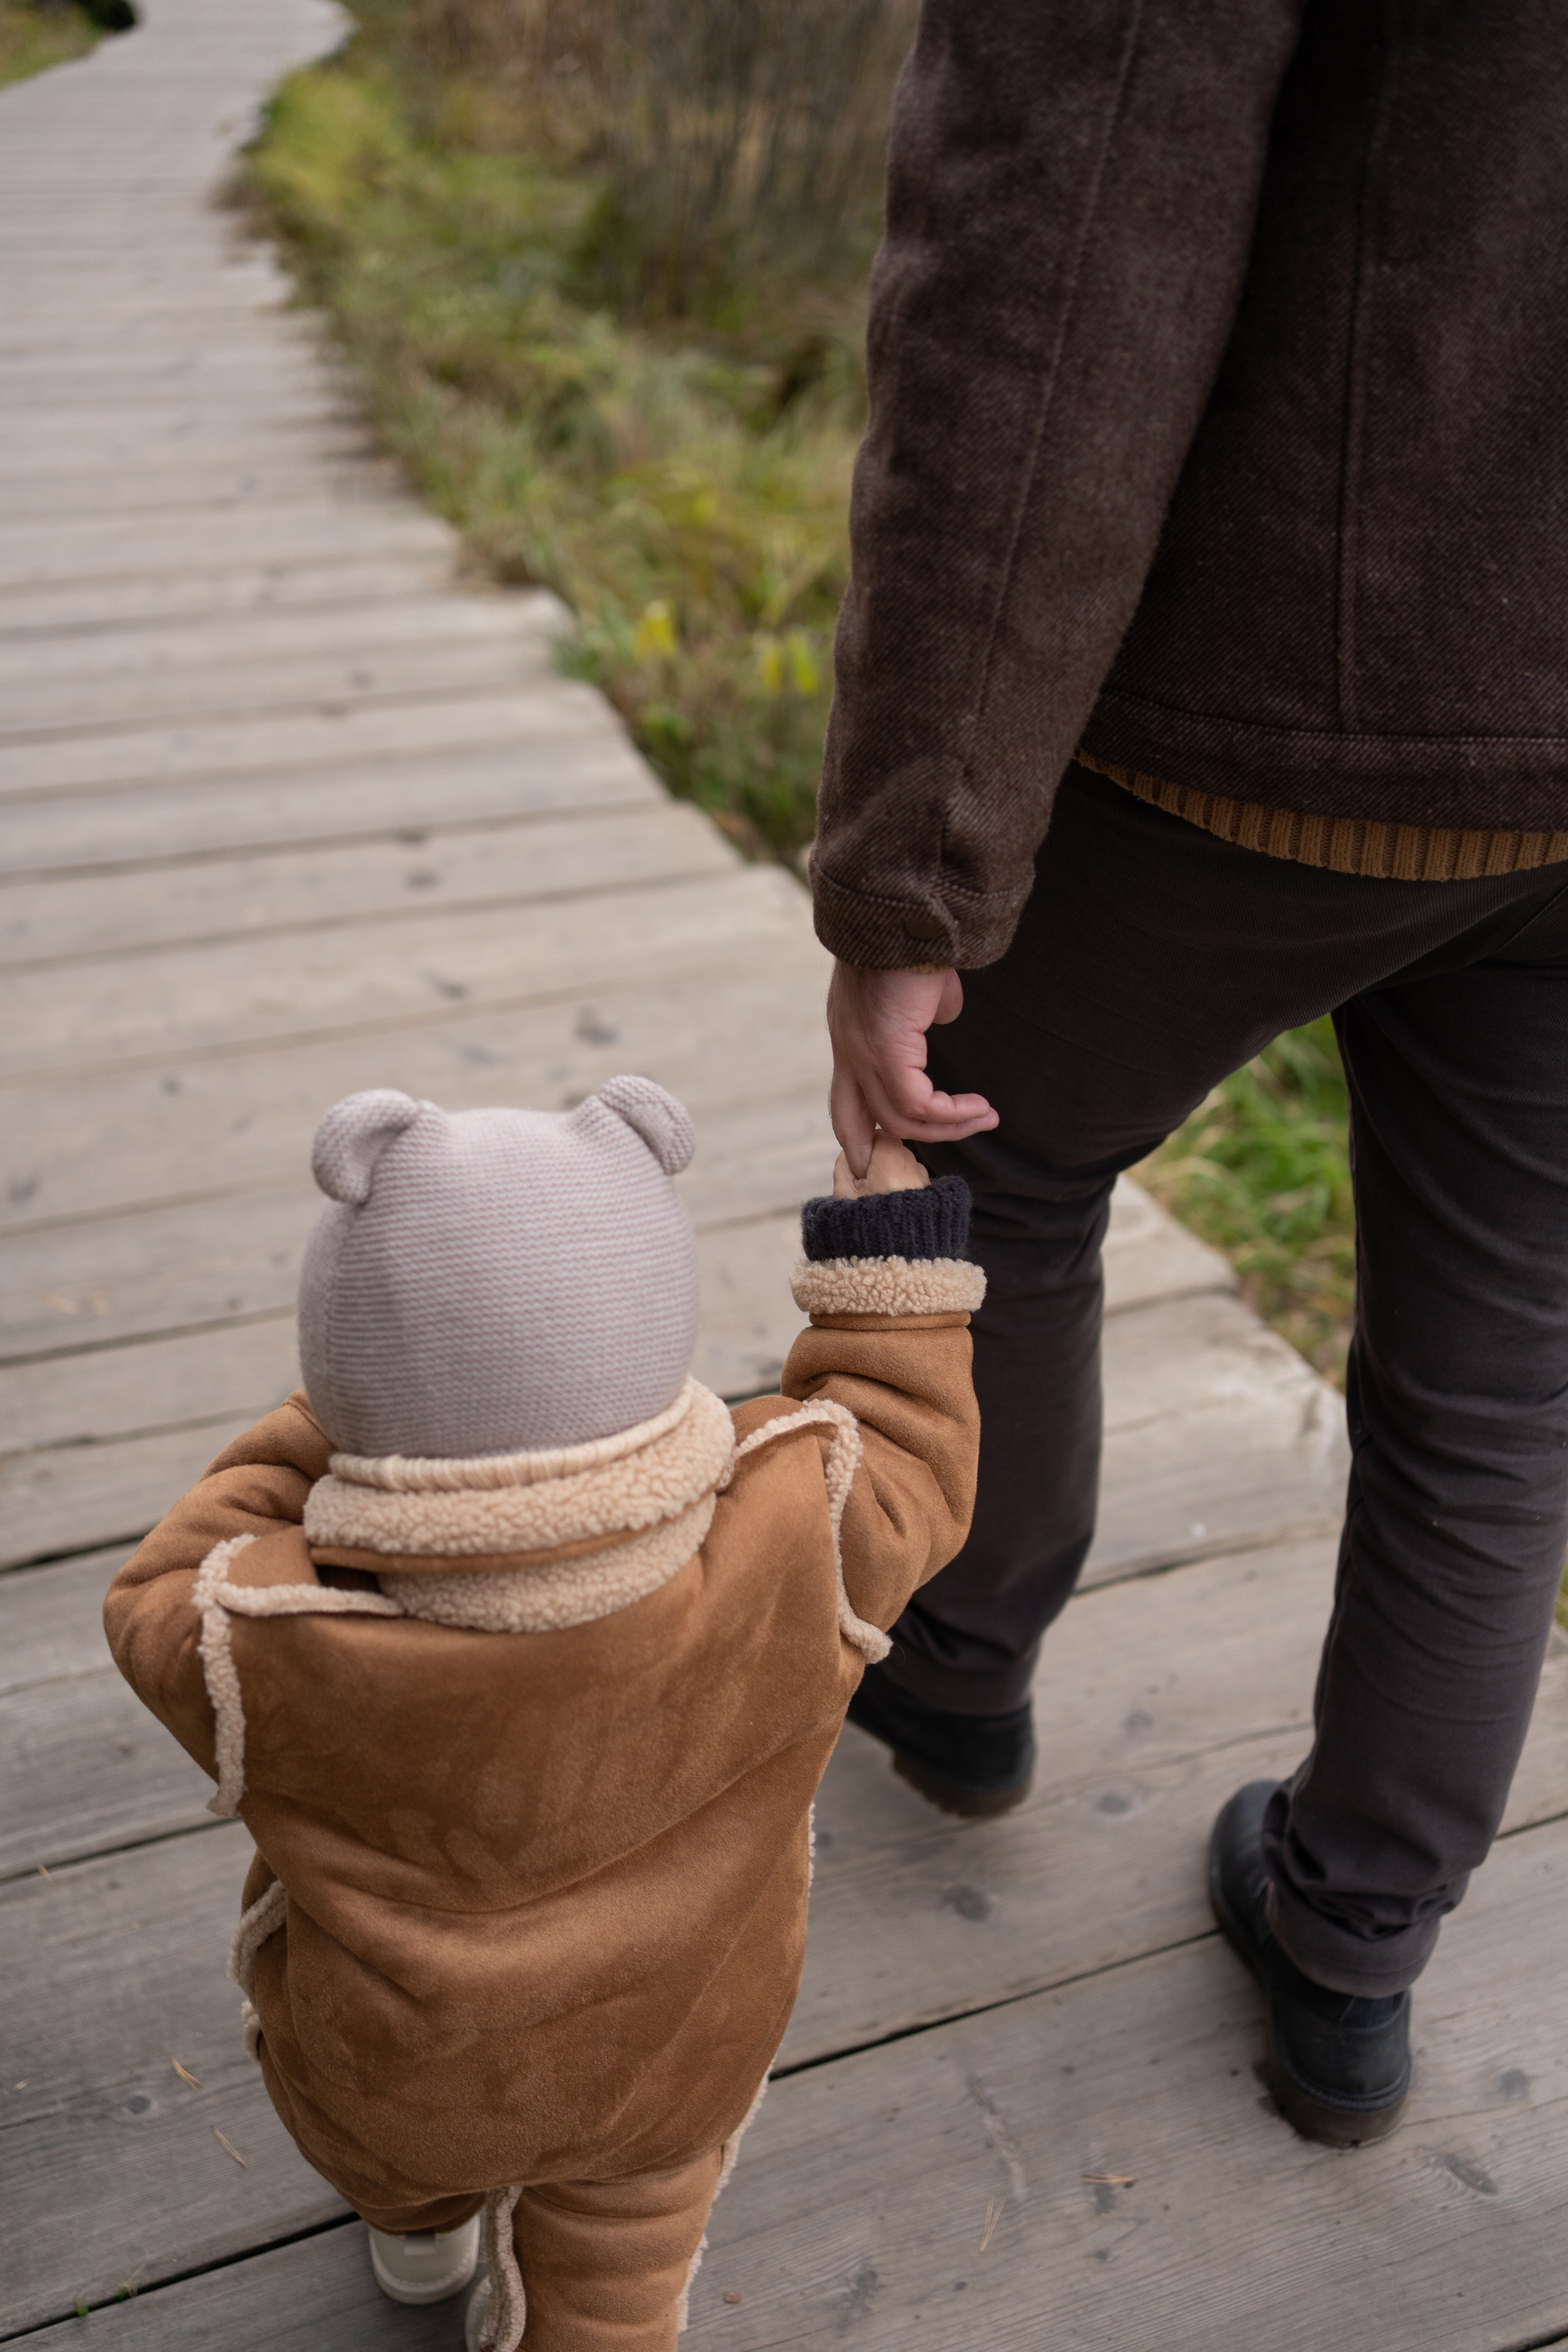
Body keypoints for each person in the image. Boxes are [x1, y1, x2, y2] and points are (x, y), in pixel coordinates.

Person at [812, 0, 1568, 2147]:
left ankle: (956, 1677)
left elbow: (1056, 245)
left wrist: (917, 867)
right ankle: (1356, 1947)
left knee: (978, 1165)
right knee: (1502, 1369)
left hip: (1269, 698)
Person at [104, 1079, 981, 2350]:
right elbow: (908, 1440)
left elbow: (157, 1591)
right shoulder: (804, 1534)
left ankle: (418, 2241)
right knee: (623, 2268)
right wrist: (886, 1253)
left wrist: (331, 1423)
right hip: (677, 2054)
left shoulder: (271, 1636)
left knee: (400, 2170)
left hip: (401, 2078)